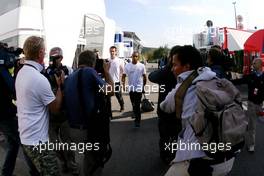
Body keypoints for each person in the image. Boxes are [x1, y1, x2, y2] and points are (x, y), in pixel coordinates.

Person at [161, 45, 234, 176]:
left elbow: (165, 106)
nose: (172, 69)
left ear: (186, 67)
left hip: (197, 160)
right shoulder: (214, 78)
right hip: (227, 157)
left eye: (174, 65)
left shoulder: (182, 87)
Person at [15, 36, 63, 175]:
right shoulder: (39, 79)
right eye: (45, 51)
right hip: (38, 142)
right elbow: (55, 108)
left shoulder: (21, 72)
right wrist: (60, 87)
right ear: (41, 53)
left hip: (25, 136)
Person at [64, 50, 114, 176]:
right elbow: (110, 91)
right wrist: (107, 71)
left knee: (84, 159)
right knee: (94, 163)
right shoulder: (89, 72)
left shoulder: (70, 76)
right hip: (89, 130)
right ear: (93, 62)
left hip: (73, 129)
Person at [44, 47, 78, 175]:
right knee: (54, 144)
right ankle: (63, 163)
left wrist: (63, 83)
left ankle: (73, 166)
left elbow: (72, 89)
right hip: (51, 114)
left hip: (65, 114)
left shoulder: (68, 70)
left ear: (61, 58)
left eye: (56, 58)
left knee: (68, 144)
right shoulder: (46, 72)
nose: (53, 60)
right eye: (51, 58)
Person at [148, 45, 181, 164]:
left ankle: (166, 156)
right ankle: (176, 154)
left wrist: (167, 66)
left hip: (165, 110)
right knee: (178, 135)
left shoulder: (167, 71)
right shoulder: (184, 70)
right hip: (180, 110)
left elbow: (152, 76)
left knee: (165, 136)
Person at [232, 58, 264, 152]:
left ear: (260, 64)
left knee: (250, 124)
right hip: (251, 104)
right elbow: (239, 81)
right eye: (252, 63)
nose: (252, 64)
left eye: (254, 63)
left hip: (260, 104)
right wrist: (226, 81)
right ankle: (251, 145)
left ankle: (243, 136)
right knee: (252, 125)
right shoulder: (250, 76)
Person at [122, 51, 147, 128]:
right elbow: (123, 76)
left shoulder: (142, 66)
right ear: (131, 57)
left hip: (139, 88)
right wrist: (123, 85)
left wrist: (143, 85)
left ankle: (137, 121)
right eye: (133, 56)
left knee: (137, 104)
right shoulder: (127, 66)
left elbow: (144, 77)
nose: (135, 58)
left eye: (136, 56)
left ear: (138, 57)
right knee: (133, 103)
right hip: (131, 88)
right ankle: (135, 113)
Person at [108, 46, 125, 112]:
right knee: (108, 98)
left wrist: (120, 78)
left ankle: (122, 106)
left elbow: (123, 71)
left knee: (119, 96)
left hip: (116, 81)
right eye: (111, 51)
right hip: (108, 82)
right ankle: (109, 111)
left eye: (113, 51)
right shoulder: (107, 60)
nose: (112, 52)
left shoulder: (120, 61)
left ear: (116, 52)